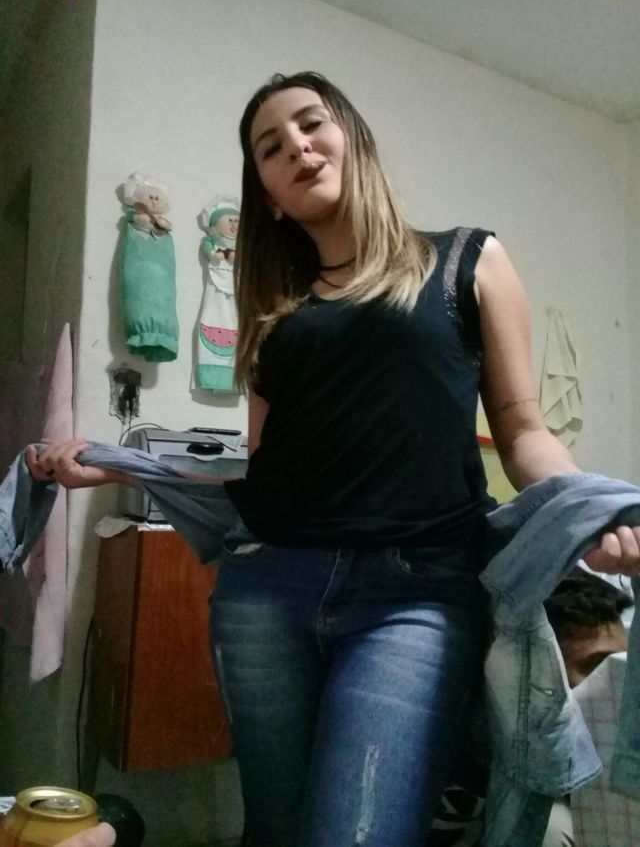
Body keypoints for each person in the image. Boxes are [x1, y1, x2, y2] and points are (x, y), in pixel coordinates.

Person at [26, 72, 640, 847]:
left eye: (311, 124)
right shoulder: (272, 312)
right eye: (271, 148)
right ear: (271, 196)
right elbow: (265, 475)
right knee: (276, 828)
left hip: (417, 595)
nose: (297, 147)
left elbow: (521, 429)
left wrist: (587, 509)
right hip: (265, 591)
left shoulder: (468, 259)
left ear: (354, 138)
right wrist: (119, 467)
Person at [426, 567, 633, 846]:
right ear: (539, 668)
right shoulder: (437, 726)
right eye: (598, 666)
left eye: (621, 669)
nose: (614, 684)